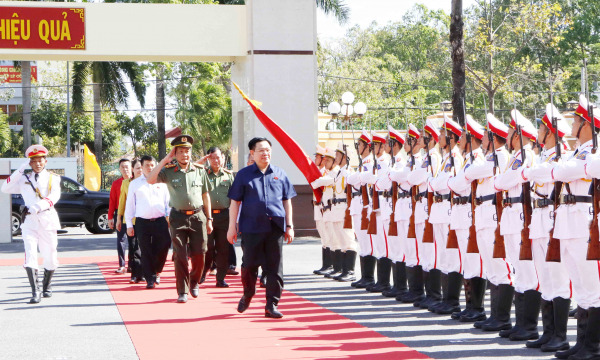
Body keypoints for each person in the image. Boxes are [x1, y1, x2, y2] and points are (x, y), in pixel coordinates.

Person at [545, 95, 600, 360]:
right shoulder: (579, 152)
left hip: (584, 223)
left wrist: (564, 168)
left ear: (587, 124)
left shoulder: (593, 151)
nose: (572, 126)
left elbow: (562, 172)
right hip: (569, 222)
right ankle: (582, 344)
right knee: (580, 288)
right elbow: (562, 171)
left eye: (577, 120)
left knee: (593, 288)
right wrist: (564, 168)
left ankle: (593, 347)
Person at [521, 104, 572, 352]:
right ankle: (548, 332)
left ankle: (560, 335)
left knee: (558, 279)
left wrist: (531, 171)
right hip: (540, 220)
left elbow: (536, 174)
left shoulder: (561, 156)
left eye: (541, 127)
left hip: (553, 220)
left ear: (549, 132)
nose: (538, 131)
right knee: (546, 279)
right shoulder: (543, 157)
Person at [227, 137, 296, 319]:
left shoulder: (280, 173)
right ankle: (248, 293)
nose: (265, 153)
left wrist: (289, 225)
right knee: (249, 265)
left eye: (268, 150)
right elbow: (235, 202)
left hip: (275, 228)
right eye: (261, 150)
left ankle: (271, 304)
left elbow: (286, 201)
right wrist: (231, 227)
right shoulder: (244, 175)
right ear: (252, 153)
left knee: (275, 268)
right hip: (251, 228)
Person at [146, 135, 213, 303]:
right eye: (181, 151)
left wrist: (209, 218)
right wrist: (164, 160)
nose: (185, 154)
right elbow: (150, 179)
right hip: (177, 217)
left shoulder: (199, 171)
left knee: (200, 255)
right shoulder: (168, 171)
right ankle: (182, 291)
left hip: (198, 217)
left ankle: (194, 281)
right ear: (175, 154)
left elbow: (206, 196)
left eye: (187, 151)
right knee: (180, 255)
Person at [464, 113, 514, 332]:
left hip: (494, 213)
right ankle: (495, 315)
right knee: (491, 268)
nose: (482, 140)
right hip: (484, 213)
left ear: (493, 139)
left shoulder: (499, 156)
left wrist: (472, 169)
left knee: (500, 267)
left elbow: (472, 172)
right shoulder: (489, 157)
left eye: (485, 136)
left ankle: (502, 317)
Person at [493, 110, 539, 339]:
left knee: (526, 271)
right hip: (512, 214)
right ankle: (520, 322)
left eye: (511, 131)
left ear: (518, 134)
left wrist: (499, 181)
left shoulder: (525, 155)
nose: (508, 133)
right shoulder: (517, 156)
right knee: (518, 269)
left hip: (520, 214)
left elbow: (503, 181)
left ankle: (528, 325)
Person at [1, 145, 61, 304]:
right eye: (33, 161)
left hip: (47, 221)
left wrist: (38, 207)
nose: (37, 164)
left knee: (50, 255)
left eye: (40, 161)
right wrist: (20, 170)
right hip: (29, 223)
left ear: (45, 161)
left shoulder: (53, 178)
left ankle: (47, 285)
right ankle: (35, 292)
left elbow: (54, 196)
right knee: (30, 255)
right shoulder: (23, 178)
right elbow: (5, 187)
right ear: (30, 163)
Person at [447, 116, 487, 323]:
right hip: (462, 212)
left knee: (475, 261)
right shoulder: (467, 159)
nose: (460, 138)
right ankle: (470, 305)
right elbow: (453, 183)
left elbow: (457, 184)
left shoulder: (477, 159)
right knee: (467, 261)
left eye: (463, 135)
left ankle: (477, 307)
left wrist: (454, 182)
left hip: (470, 212)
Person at [428, 116, 464, 315]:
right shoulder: (446, 159)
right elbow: (436, 182)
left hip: (449, 210)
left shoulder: (455, 158)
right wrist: (437, 182)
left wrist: (436, 182)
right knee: (443, 255)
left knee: (452, 256)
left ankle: (452, 301)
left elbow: (444, 183)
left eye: (442, 133)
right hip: (440, 209)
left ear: (451, 137)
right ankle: (445, 298)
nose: (439, 136)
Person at [407, 119, 442, 310]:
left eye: (423, 137)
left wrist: (418, 176)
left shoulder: (433, 157)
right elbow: (412, 178)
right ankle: (430, 294)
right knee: (425, 252)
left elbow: (415, 178)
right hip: (421, 205)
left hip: (428, 205)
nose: (419, 140)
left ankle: (435, 294)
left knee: (432, 252)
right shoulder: (427, 158)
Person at [124, 155, 171, 291]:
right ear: (141, 168)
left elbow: (168, 203)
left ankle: (157, 271)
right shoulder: (135, 184)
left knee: (164, 245)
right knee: (145, 250)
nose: (150, 168)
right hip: (142, 222)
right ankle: (150, 279)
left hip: (160, 220)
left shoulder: (162, 183)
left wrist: (170, 218)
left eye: (152, 165)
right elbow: (130, 206)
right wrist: (129, 224)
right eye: (147, 165)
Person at [390, 124, 424, 303]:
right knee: (406, 248)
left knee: (413, 248)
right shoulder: (410, 161)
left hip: (411, 205)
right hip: (403, 205)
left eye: (408, 141)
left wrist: (395, 174)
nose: (405, 145)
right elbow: (397, 176)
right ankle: (410, 289)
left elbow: (402, 177)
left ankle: (417, 290)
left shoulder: (418, 160)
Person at [360, 131, 393, 293]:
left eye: (375, 145)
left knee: (385, 243)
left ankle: (385, 281)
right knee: (380, 243)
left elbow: (385, 182)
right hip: (375, 204)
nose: (372, 148)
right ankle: (381, 280)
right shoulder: (376, 162)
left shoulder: (385, 162)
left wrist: (374, 180)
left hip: (383, 203)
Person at [379, 126, 407, 297]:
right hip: (391, 205)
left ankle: (401, 286)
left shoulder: (400, 162)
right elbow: (381, 183)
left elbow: (386, 181)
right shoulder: (392, 162)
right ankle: (398, 285)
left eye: (388, 143)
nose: (385, 146)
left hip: (396, 205)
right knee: (395, 247)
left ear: (395, 144)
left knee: (400, 246)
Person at [202, 146, 235, 288]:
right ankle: (202, 273)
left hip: (224, 216)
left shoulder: (228, 175)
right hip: (206, 216)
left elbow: (234, 198)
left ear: (223, 158)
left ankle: (220, 278)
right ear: (208, 159)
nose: (216, 160)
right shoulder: (202, 174)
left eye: (218, 157)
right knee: (206, 247)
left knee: (223, 248)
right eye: (213, 157)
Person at [346, 130, 375, 288]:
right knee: (362, 241)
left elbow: (357, 179)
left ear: (367, 147)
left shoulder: (370, 162)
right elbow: (351, 180)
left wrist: (355, 177)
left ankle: (369, 277)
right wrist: (355, 177)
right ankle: (365, 276)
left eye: (360, 145)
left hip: (366, 205)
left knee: (367, 241)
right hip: (358, 204)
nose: (357, 148)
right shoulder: (363, 164)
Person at [116, 159, 144, 283]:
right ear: (133, 169)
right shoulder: (127, 183)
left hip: (147, 219)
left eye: (141, 167)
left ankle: (144, 272)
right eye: (137, 168)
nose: (140, 170)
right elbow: (122, 202)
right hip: (132, 220)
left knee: (145, 247)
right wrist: (119, 218)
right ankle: (134, 273)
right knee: (133, 247)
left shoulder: (150, 182)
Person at [108, 158, 132, 274]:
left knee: (134, 241)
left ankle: (133, 265)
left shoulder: (136, 181)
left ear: (131, 167)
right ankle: (122, 265)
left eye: (127, 166)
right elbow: (112, 201)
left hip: (135, 215)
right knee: (121, 239)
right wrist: (110, 217)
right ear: (119, 169)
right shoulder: (116, 183)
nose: (125, 169)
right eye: (122, 166)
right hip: (121, 214)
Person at [313, 146, 333, 275]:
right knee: (323, 237)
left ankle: (330, 265)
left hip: (325, 207)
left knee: (329, 236)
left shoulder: (326, 173)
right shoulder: (318, 172)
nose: (315, 159)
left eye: (317, 157)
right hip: (317, 206)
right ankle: (325, 264)